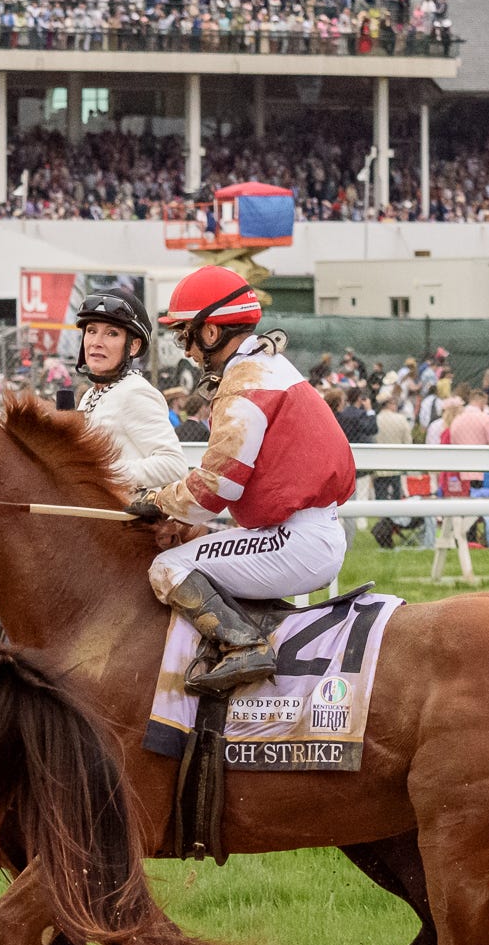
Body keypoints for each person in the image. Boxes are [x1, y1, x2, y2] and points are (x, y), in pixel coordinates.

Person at [128, 264, 356, 693]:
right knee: (193, 547)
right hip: (302, 532)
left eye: (185, 335)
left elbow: (214, 490)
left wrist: (155, 501)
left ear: (210, 333)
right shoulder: (266, 365)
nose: (186, 350)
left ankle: (246, 646)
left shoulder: (244, 382)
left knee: (167, 567)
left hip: (297, 540)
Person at [69, 288, 184, 493]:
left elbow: (173, 464)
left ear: (133, 346)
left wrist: (103, 472)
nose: (96, 342)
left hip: (125, 522)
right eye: (91, 331)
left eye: (111, 333)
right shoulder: (90, 394)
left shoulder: (135, 392)